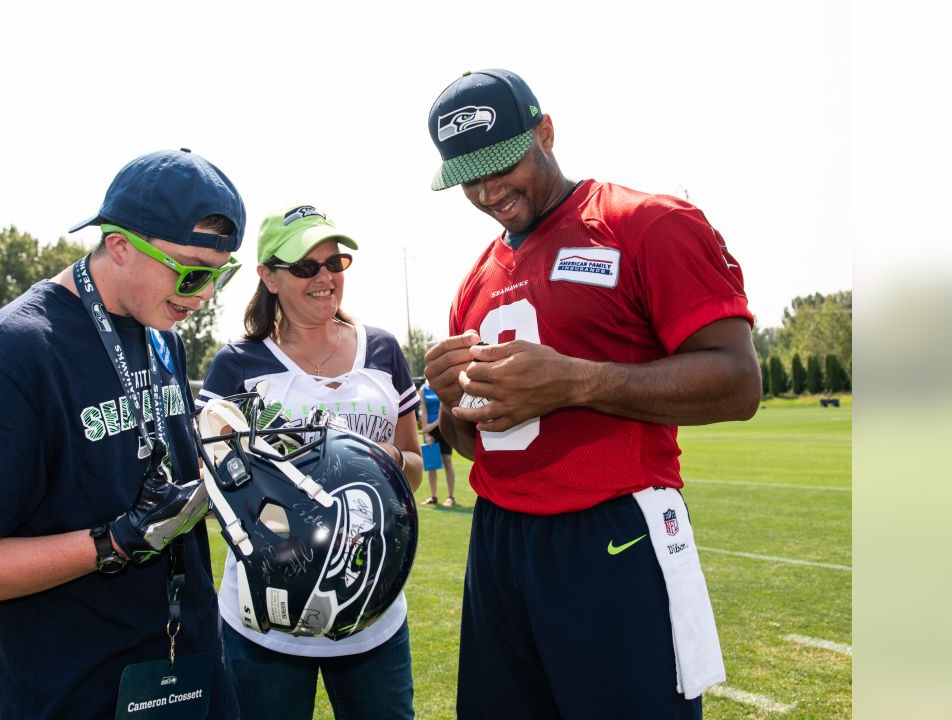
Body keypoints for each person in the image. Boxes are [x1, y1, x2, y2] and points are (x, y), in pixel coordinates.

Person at [422, 69, 762, 718]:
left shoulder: (644, 223)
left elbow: (738, 382)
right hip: (498, 540)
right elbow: (476, 446)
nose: (490, 190)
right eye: (469, 176)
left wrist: (578, 380)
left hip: (614, 528)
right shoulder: (472, 285)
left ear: (545, 131)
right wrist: (451, 404)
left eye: (502, 164)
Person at [0, 149, 246, 719]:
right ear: (120, 244)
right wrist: (115, 540)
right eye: (192, 271)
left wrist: (239, 472)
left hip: (187, 667)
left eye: (221, 274)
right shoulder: (22, 348)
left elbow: (153, 477)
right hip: (77, 688)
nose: (204, 296)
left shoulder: (161, 330)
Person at [196, 204, 423, 720]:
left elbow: (412, 463)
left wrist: (382, 459)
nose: (324, 278)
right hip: (266, 622)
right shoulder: (238, 364)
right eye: (305, 267)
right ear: (268, 277)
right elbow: (214, 488)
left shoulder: (383, 350)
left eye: (334, 263)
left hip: (373, 612)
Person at [418, 380, 457, 507]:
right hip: (429, 431)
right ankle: (433, 496)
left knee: (447, 460)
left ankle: (451, 497)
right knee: (432, 464)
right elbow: (423, 411)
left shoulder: (442, 386)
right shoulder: (424, 389)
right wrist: (426, 433)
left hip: (444, 428)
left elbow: (445, 410)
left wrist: (433, 425)